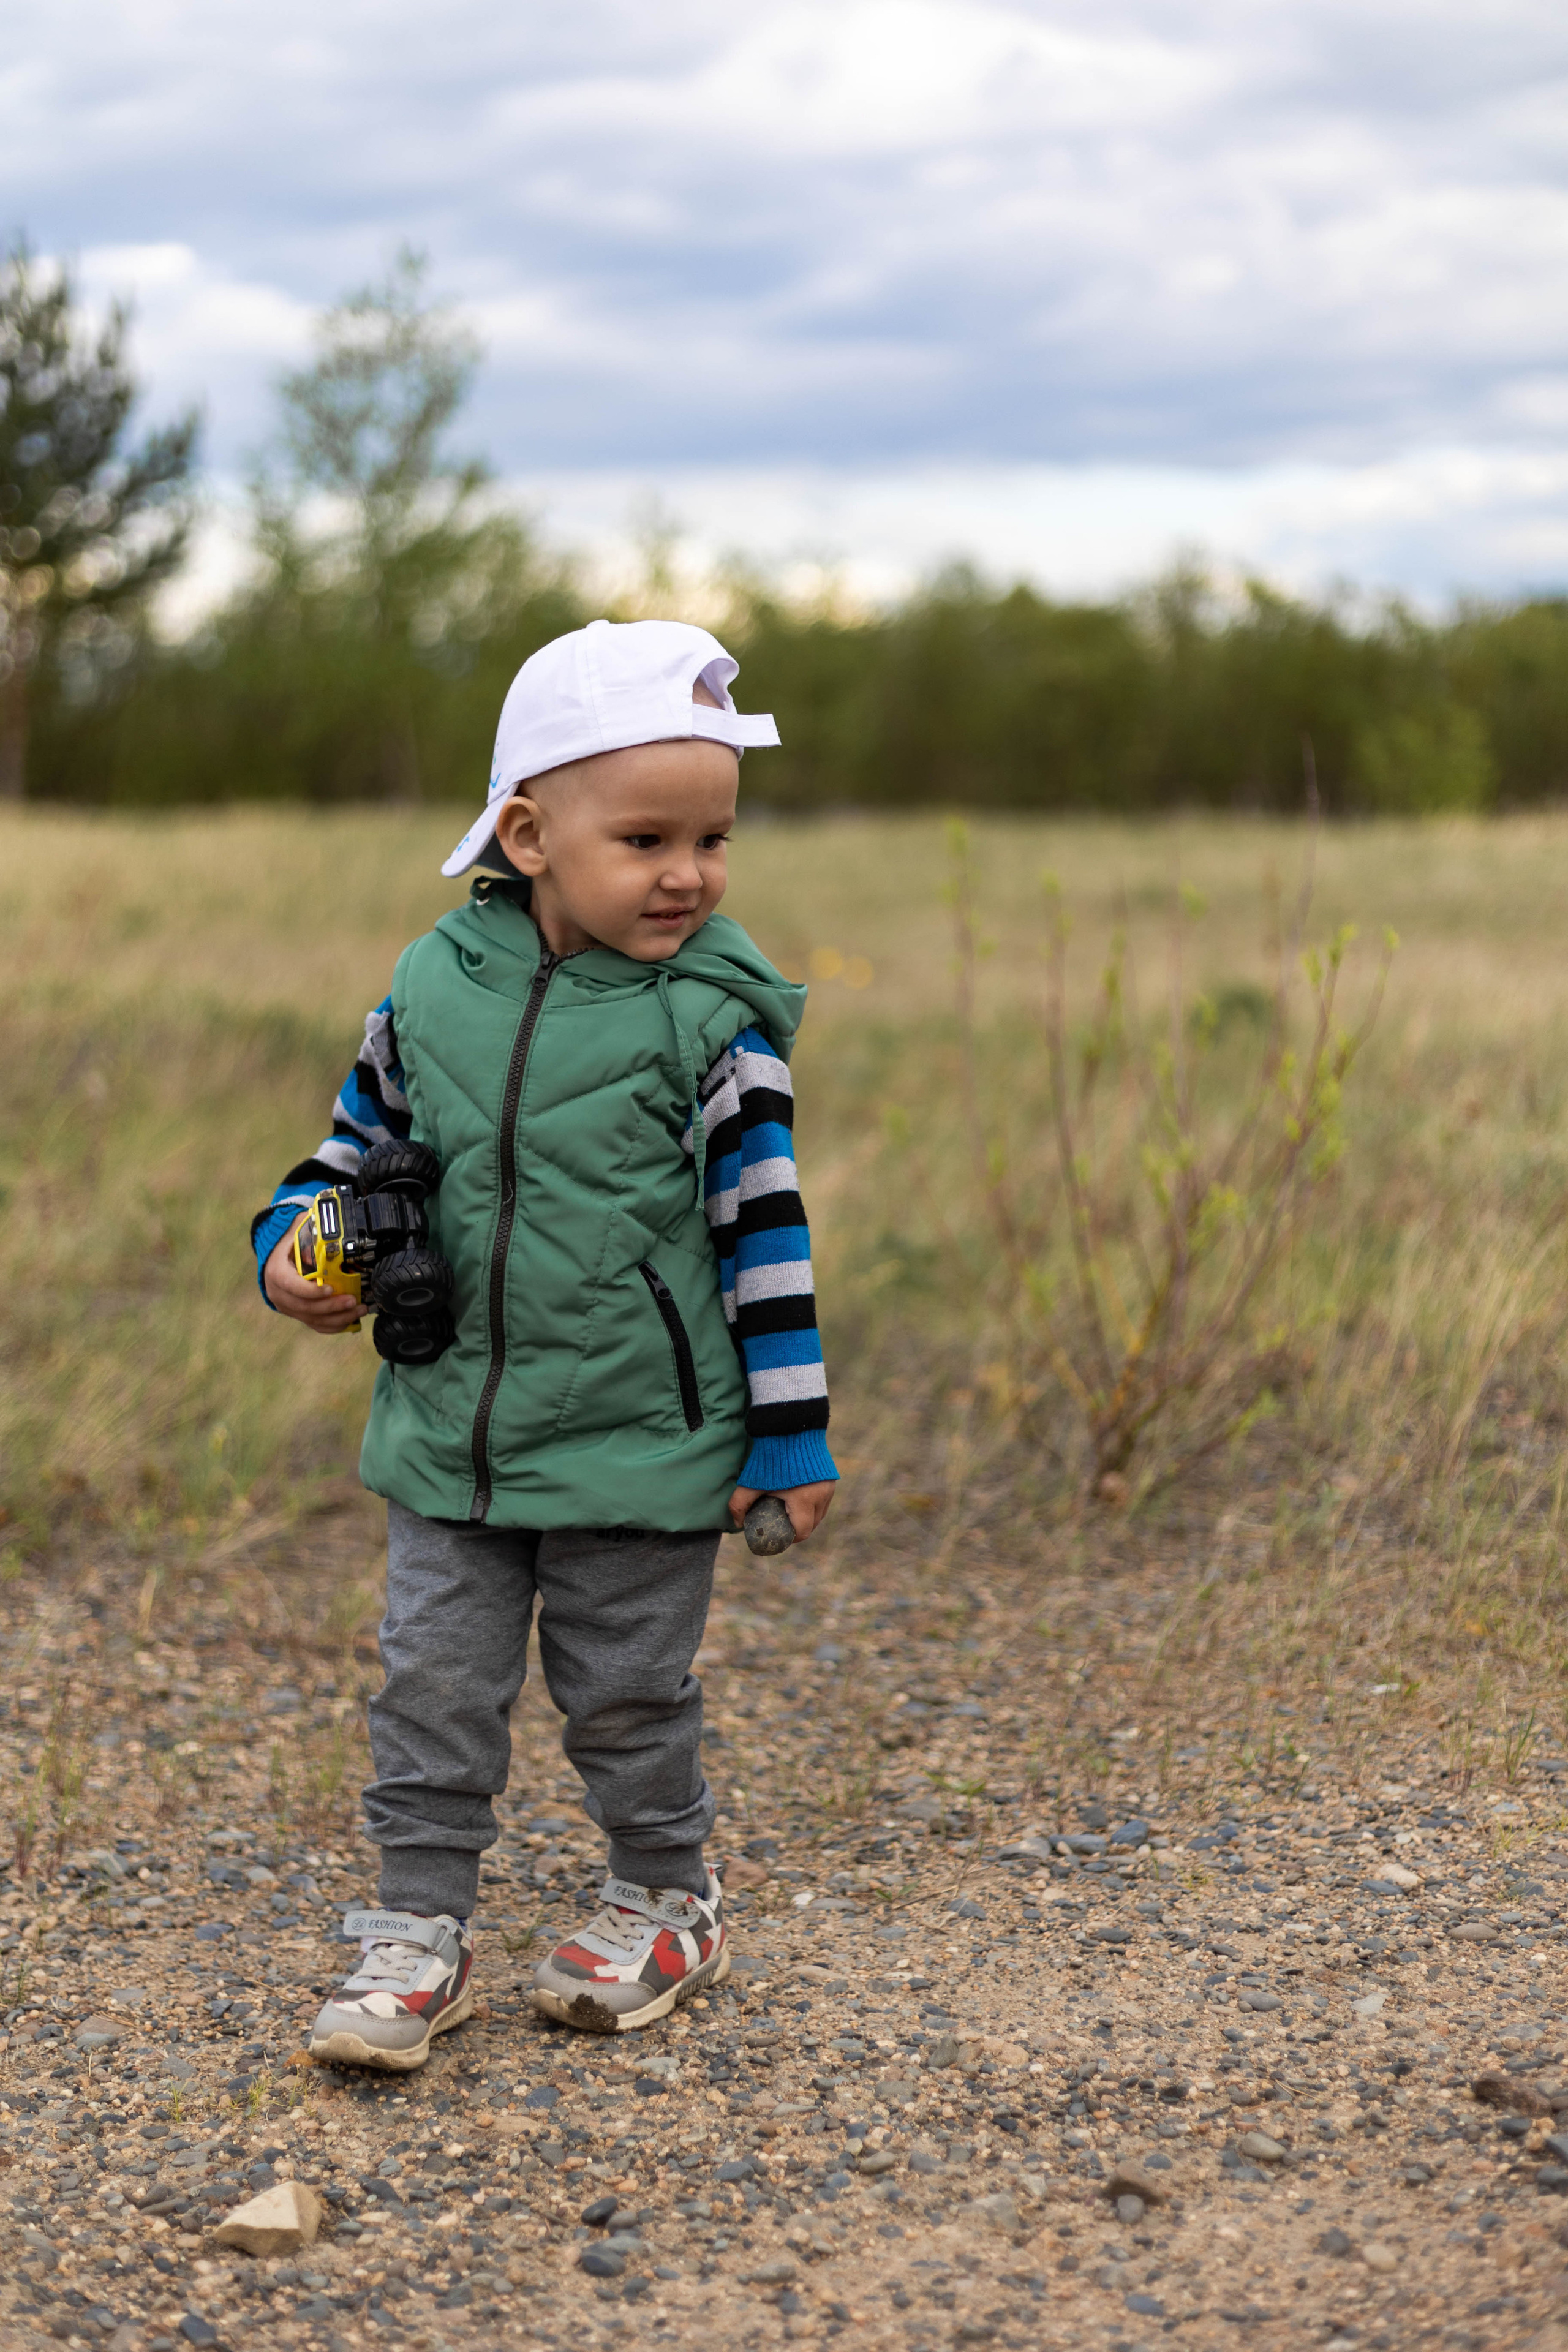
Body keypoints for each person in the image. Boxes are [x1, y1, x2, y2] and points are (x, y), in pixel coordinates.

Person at [251, 619, 837, 2068]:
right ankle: (415, 1932)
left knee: (625, 1695)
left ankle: (664, 1896)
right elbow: (353, 1150)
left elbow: (765, 1238)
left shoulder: (712, 1023)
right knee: (431, 1685)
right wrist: (294, 1244)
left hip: (639, 1436)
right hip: (449, 1423)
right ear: (528, 836)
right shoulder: (430, 986)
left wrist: (789, 1433)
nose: (688, 873)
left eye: (712, 839)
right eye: (646, 839)